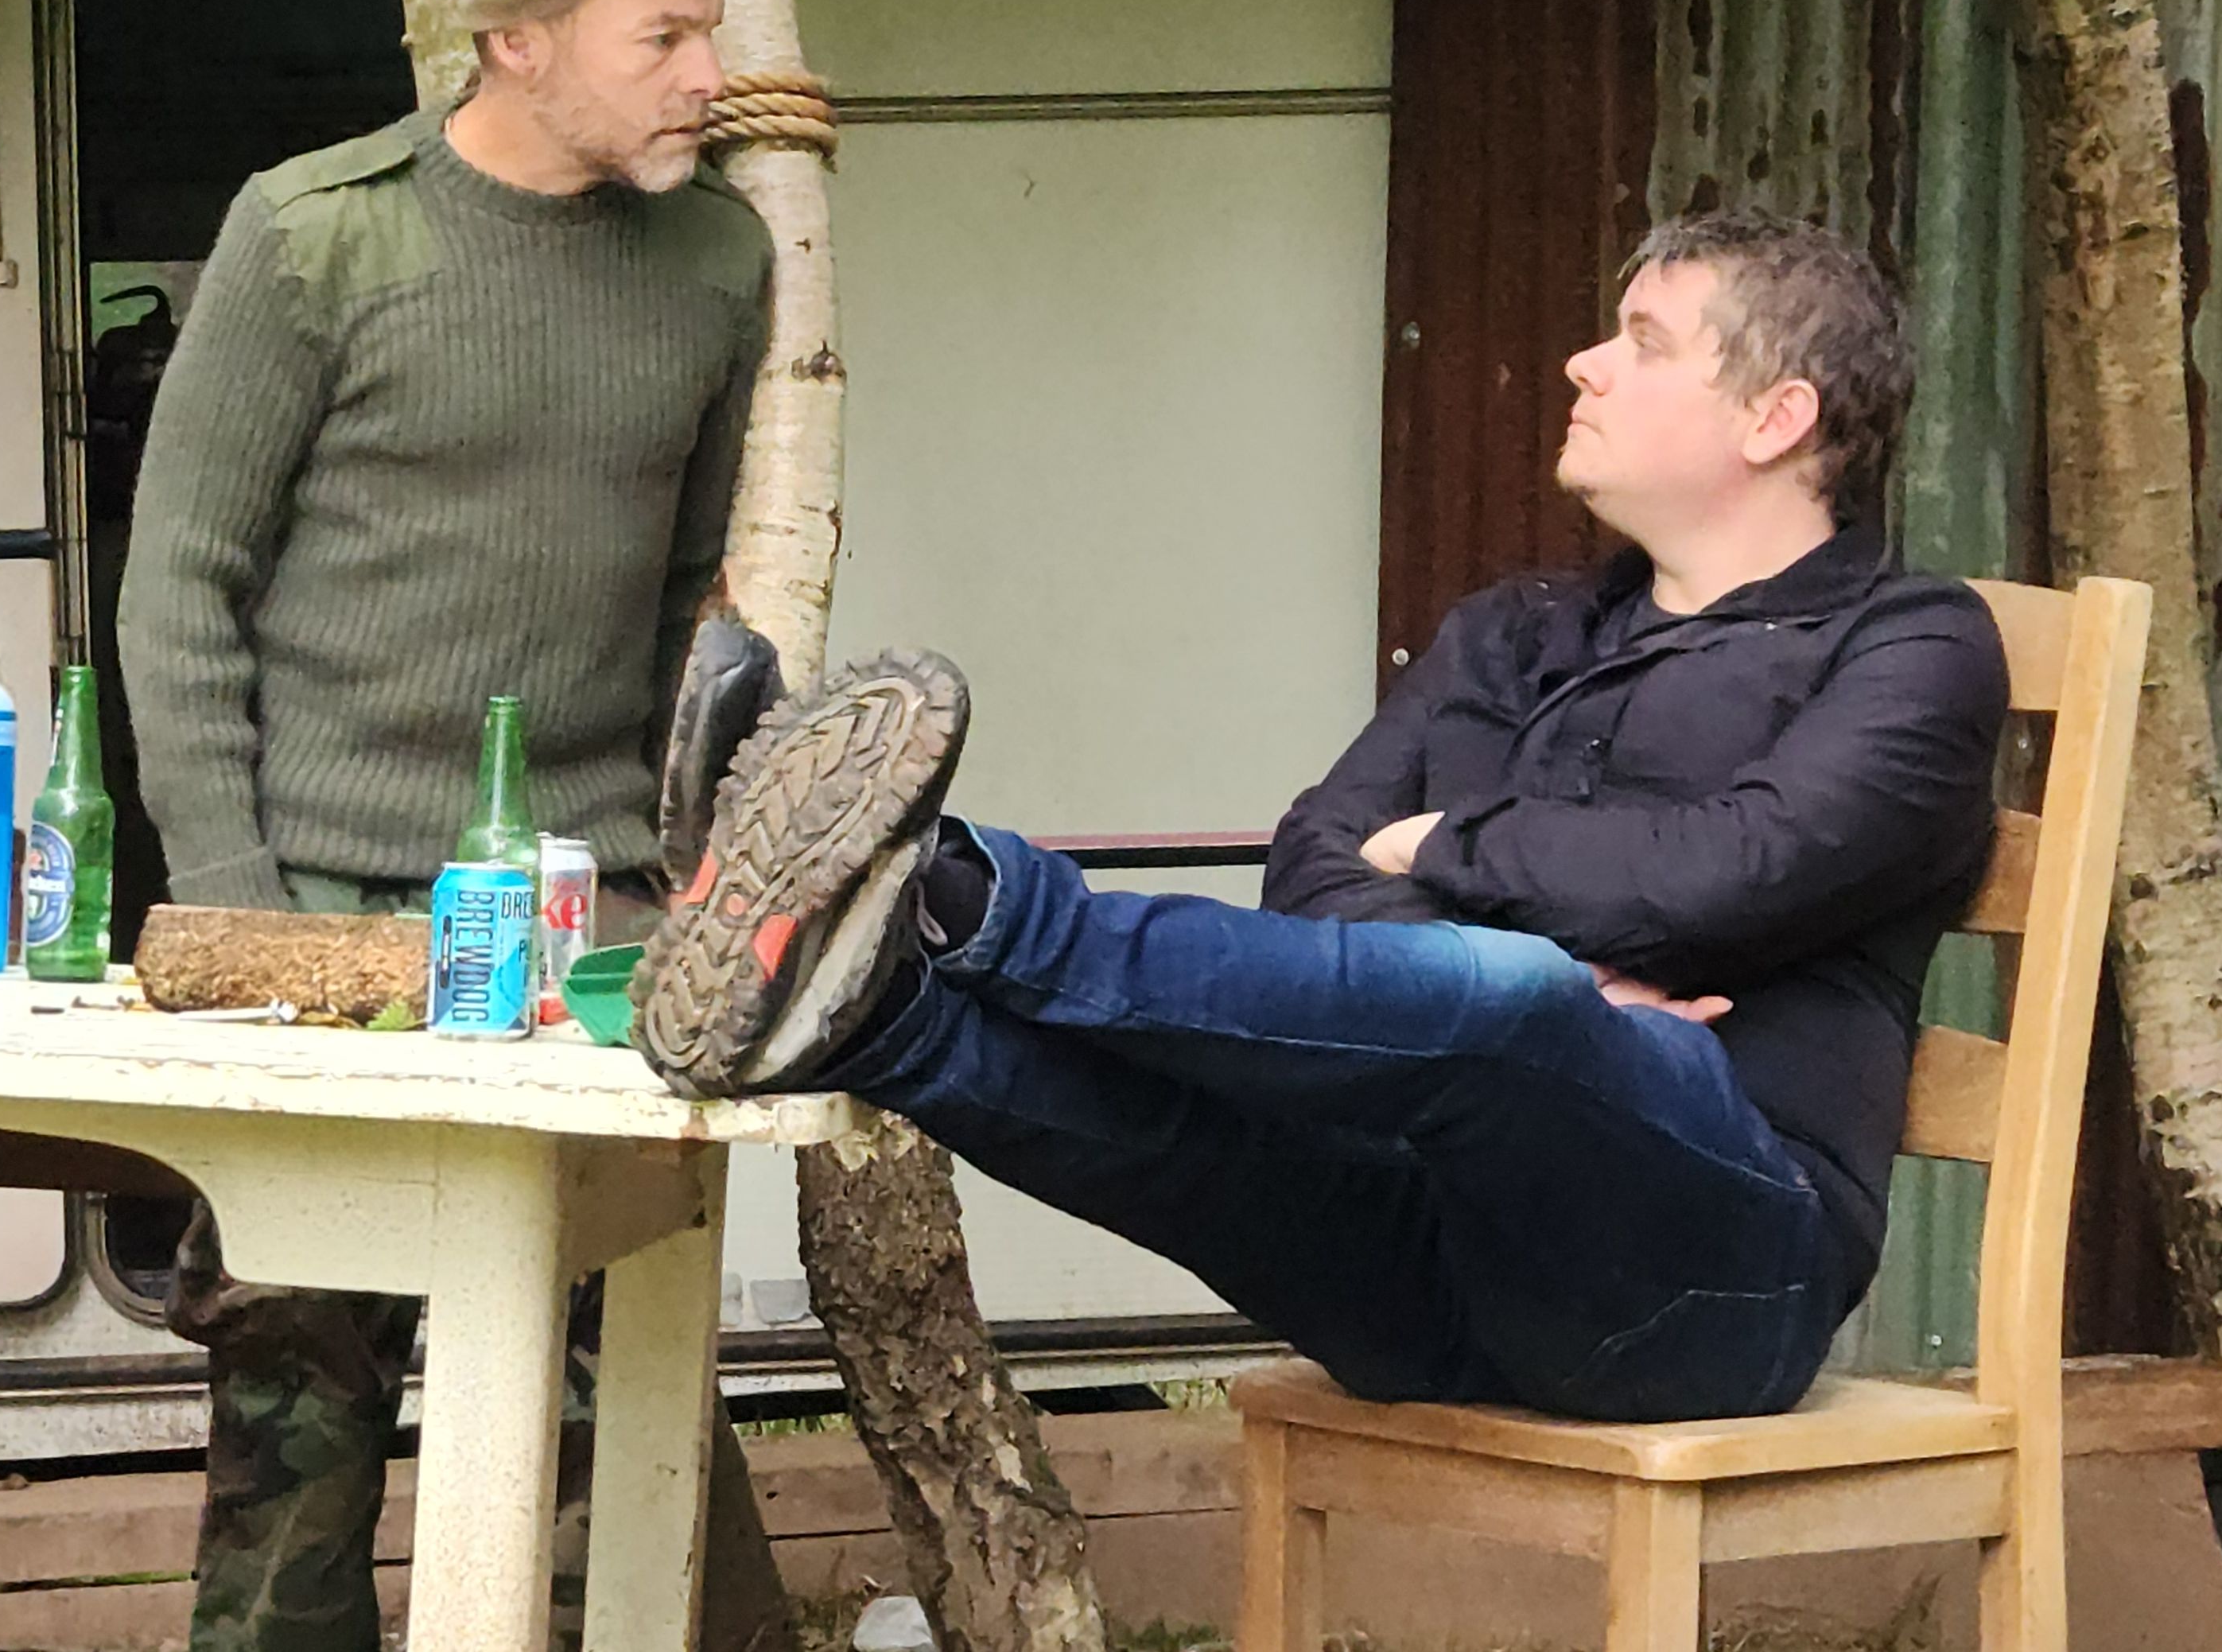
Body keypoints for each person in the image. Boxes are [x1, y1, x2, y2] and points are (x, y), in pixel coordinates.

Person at [633, 212, 2010, 1422]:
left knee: (1516, 999)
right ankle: (870, 1006)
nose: (1586, 363)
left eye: (1644, 341)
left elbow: (1726, 872)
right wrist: (1535, 970)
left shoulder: (1911, 649)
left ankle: (946, 882)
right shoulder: (1514, 634)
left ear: (1777, 419)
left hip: (1710, 1283)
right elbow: (1313, 868)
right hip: (1432, 1267)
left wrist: (1458, 867)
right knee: (1225, 1140)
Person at [119, 0, 790, 1652]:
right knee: (292, 1467)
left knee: (617, 1452)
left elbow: (683, 614)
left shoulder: (722, 262)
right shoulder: (315, 237)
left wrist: (689, 891)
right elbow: (181, 586)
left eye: (706, 26)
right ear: (517, 41)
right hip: (319, 925)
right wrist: (244, 917)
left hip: (594, 948)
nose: (701, 70)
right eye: (662, 33)